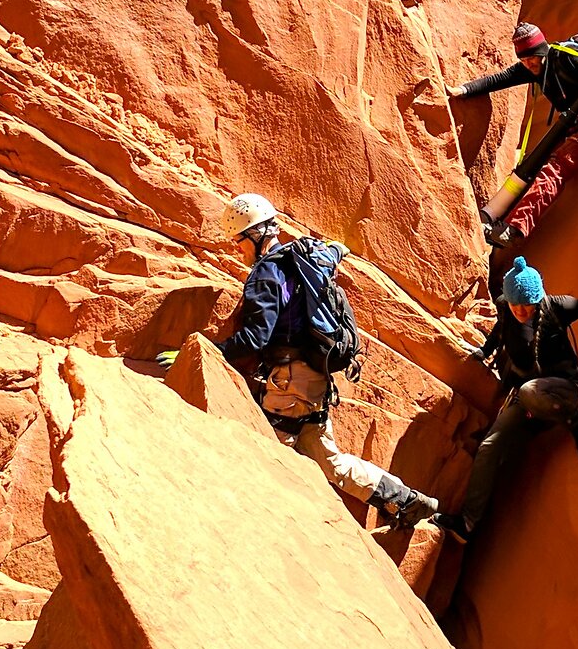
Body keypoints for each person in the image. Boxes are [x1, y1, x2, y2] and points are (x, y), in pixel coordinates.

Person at [157, 194, 438, 526]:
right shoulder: (306, 258)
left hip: (289, 387)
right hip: (314, 381)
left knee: (265, 457)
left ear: (253, 235)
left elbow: (256, 337)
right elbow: (333, 253)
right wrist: (338, 248)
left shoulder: (265, 274)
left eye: (239, 242)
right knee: (331, 464)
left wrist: (202, 350)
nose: (239, 250)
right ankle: (408, 501)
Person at [432, 256, 578, 542]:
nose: (522, 311)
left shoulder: (556, 307)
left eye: (528, 304)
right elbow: (501, 330)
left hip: (568, 391)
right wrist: (485, 351)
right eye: (515, 304)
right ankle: (467, 524)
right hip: (528, 398)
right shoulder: (507, 308)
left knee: (529, 392)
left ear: (539, 297)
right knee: (488, 447)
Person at [448, 22, 578, 248]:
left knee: (557, 166)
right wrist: (463, 90)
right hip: (577, 123)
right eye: (523, 59)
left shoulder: (569, 58)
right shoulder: (534, 67)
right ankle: (492, 217)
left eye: (531, 57)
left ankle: (512, 229)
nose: (528, 63)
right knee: (532, 164)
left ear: (541, 50)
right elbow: (499, 79)